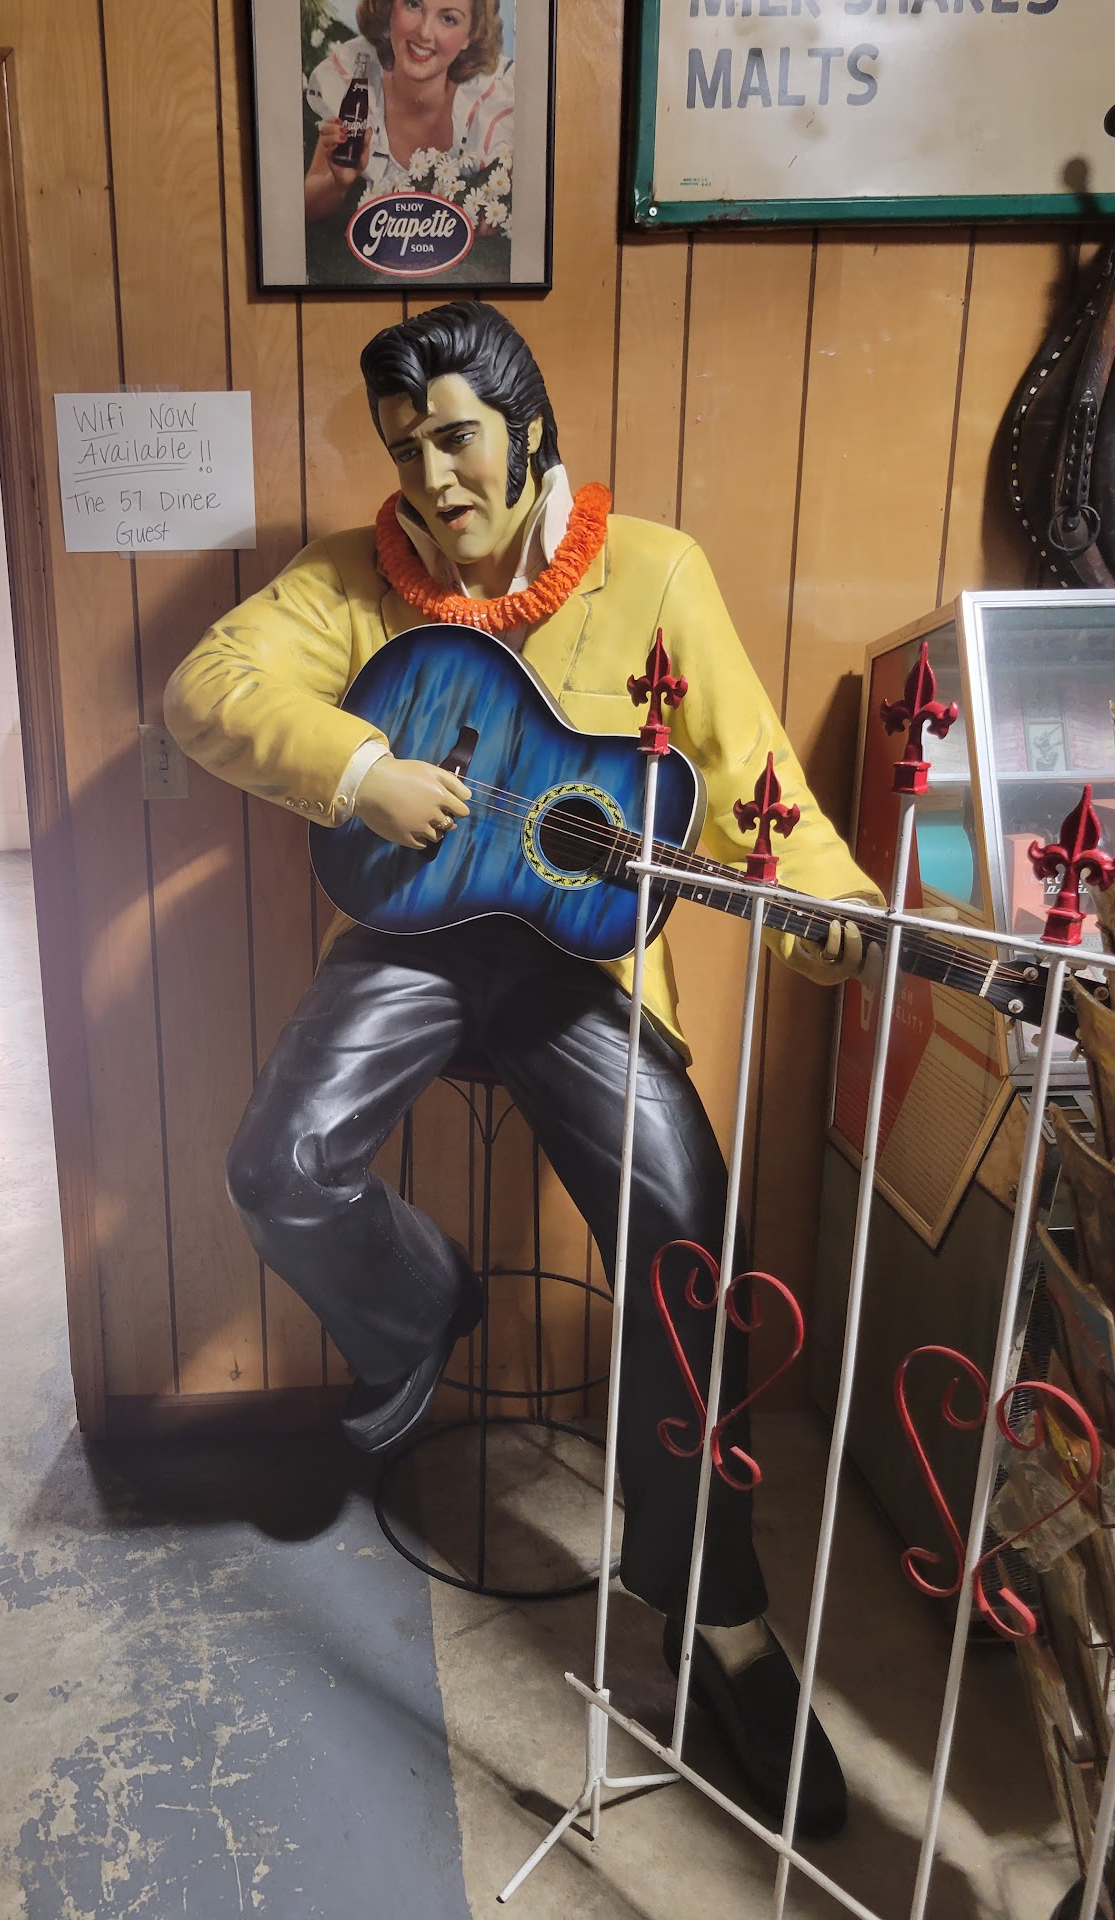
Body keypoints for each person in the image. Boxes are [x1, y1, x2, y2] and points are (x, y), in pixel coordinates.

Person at [163, 301, 880, 1839]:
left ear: (528, 431)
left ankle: (722, 1619)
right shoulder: (356, 580)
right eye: (405, 448)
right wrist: (362, 771)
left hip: (583, 969)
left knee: (690, 1236)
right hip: (411, 938)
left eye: (457, 438)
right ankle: (419, 1305)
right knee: (278, 1167)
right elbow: (207, 688)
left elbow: (755, 780)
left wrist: (839, 917)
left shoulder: (655, 571)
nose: (433, 476)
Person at [304, 0, 514, 223]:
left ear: (471, 35)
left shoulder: (493, 104)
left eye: (448, 19)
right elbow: (306, 206)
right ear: (390, 7)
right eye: (413, 5)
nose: (424, 32)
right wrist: (337, 183)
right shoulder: (359, 82)